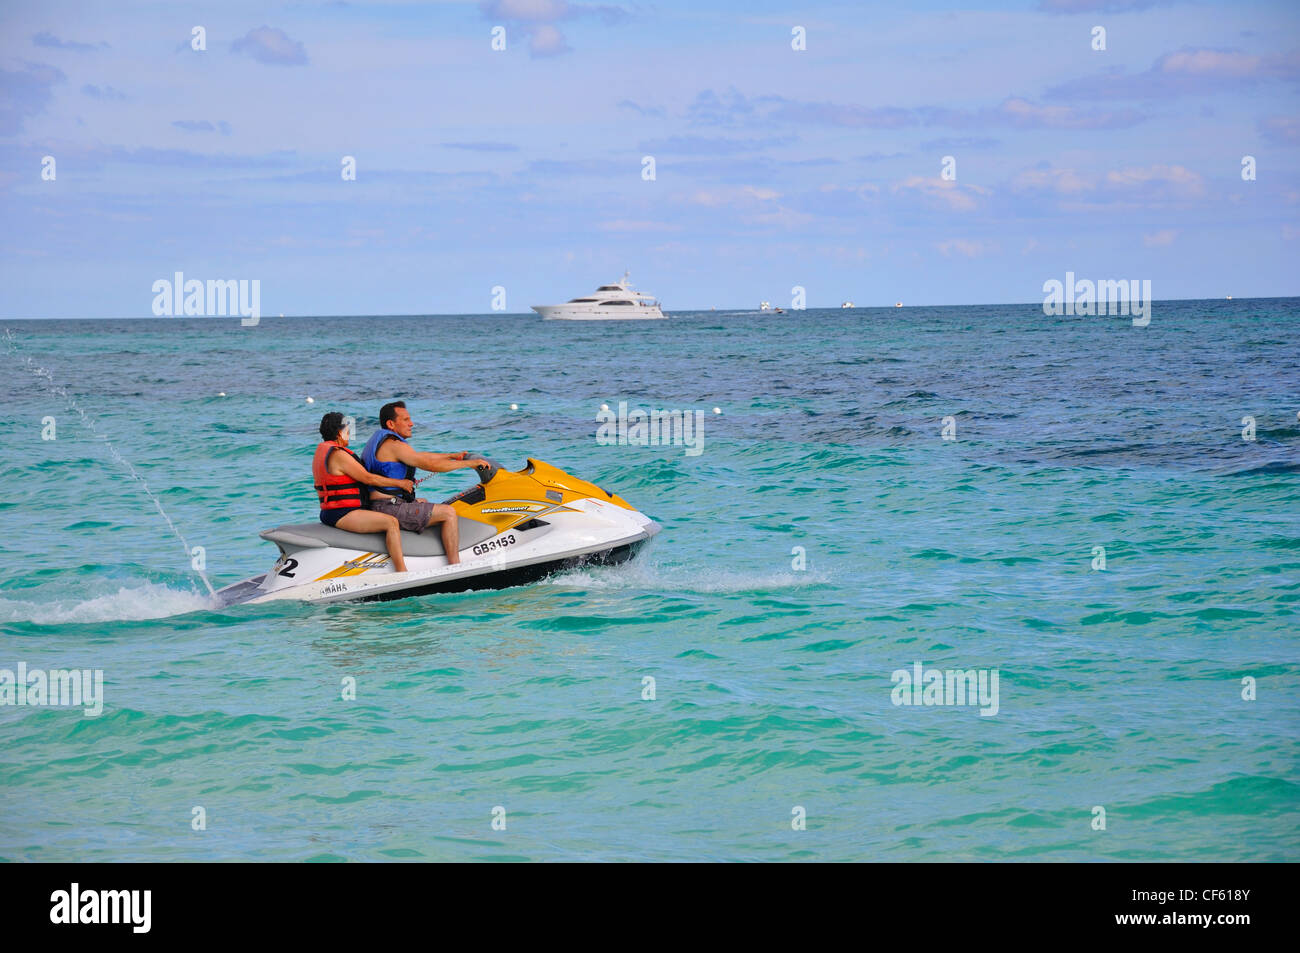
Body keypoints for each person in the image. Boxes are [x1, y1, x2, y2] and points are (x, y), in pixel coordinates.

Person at [360, 400, 488, 565]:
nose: (411, 424)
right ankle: (455, 565)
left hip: (383, 503)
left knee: (424, 502)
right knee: (448, 513)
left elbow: (420, 456)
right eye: (405, 420)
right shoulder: (393, 445)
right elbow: (429, 464)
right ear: (391, 424)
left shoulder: (385, 443)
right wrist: (470, 463)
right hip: (389, 506)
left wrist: (450, 456)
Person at [313, 412, 415, 573]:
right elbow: (368, 479)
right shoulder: (338, 455)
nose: (349, 434)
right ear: (340, 432)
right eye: (348, 430)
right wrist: (400, 483)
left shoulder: (323, 451)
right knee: (391, 523)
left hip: (332, 510)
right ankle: (402, 571)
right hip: (342, 513)